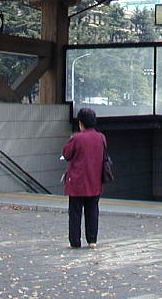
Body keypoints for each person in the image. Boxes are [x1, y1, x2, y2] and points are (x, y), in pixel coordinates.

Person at [62, 107, 106, 249]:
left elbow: (67, 154)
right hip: (95, 181)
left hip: (77, 181)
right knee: (92, 211)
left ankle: (75, 242)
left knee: (75, 213)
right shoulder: (101, 137)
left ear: (81, 123)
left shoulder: (77, 138)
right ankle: (92, 240)